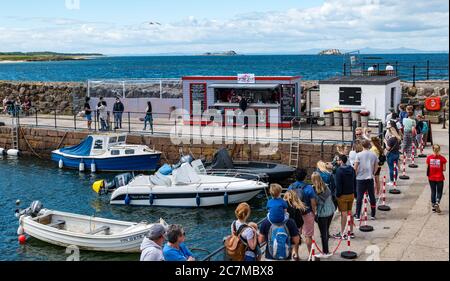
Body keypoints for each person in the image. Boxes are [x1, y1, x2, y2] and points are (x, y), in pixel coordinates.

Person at [288, 168, 317, 254]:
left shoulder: (291, 187)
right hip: (307, 214)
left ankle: (295, 254)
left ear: (295, 177)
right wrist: (313, 213)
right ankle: (310, 256)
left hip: (294, 214)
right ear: (305, 177)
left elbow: (288, 201)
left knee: (295, 235)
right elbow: (313, 203)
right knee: (308, 236)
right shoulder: (309, 188)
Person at [311, 172, 335, 258]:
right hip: (331, 211)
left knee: (323, 234)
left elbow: (315, 203)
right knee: (326, 231)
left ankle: (325, 252)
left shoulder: (314, 191)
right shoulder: (327, 187)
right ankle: (326, 250)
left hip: (323, 214)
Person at [354, 139, 378, 220]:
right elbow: (376, 166)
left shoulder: (359, 155)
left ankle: (357, 215)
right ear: (369, 145)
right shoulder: (373, 154)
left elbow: (355, 167)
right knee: (372, 196)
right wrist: (373, 173)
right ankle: (373, 214)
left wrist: (355, 175)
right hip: (369, 178)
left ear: (362, 146)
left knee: (359, 198)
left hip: (360, 178)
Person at [333, 154, 356, 239]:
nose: (338, 162)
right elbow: (354, 181)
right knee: (350, 212)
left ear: (342, 161)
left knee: (344, 214)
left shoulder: (339, 171)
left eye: (338, 160)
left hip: (342, 195)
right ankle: (351, 231)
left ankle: (343, 232)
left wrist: (337, 195)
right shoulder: (352, 169)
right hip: (351, 194)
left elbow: (338, 185)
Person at [283, 190, 306, 261]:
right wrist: (301, 230)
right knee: (295, 243)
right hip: (295, 228)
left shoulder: (283, 207)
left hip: (285, 229)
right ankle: (296, 255)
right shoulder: (296, 207)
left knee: (287, 244)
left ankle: (289, 255)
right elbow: (300, 221)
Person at [426, 145, 447, 214]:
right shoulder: (442, 158)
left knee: (433, 191)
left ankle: (433, 205)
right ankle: (437, 203)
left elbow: (427, 167)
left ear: (433, 149)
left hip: (431, 177)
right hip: (440, 177)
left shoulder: (429, 158)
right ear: (439, 150)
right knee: (439, 192)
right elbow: (444, 169)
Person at [384, 121, 402, 186]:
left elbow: (388, 148)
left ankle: (392, 181)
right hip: (396, 153)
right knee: (395, 167)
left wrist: (385, 142)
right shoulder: (397, 138)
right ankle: (395, 180)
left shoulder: (391, 139)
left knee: (391, 168)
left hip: (391, 154)